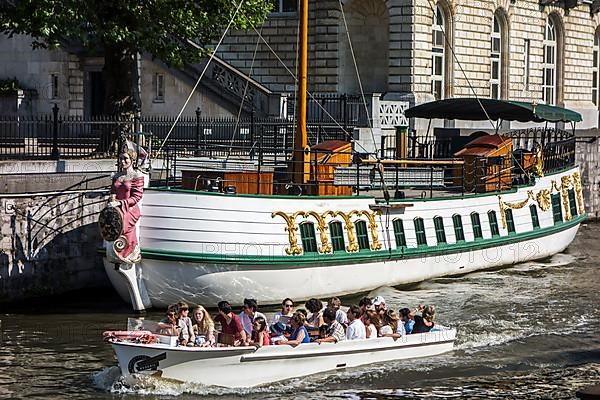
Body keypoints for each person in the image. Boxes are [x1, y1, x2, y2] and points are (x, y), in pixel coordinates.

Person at [108, 146, 145, 264]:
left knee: (123, 227)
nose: (122, 161)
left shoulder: (136, 176)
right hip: (117, 208)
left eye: (125, 158)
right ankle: (116, 253)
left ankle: (128, 253)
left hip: (129, 209)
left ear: (132, 160)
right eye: (120, 158)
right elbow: (113, 191)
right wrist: (112, 198)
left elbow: (137, 197)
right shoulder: (117, 176)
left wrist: (120, 202)